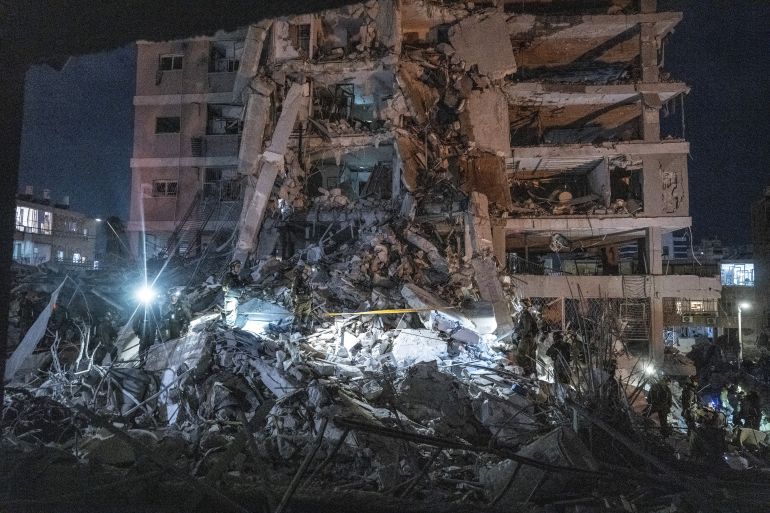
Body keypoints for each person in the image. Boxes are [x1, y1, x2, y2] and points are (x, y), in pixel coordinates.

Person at [222, 260, 247, 327]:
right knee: (230, 316)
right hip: (230, 298)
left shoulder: (237, 276)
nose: (239, 268)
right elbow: (227, 287)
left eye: (240, 266)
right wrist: (239, 287)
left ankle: (231, 328)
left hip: (235, 298)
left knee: (234, 315)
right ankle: (229, 330)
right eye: (238, 266)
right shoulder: (229, 276)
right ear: (233, 267)